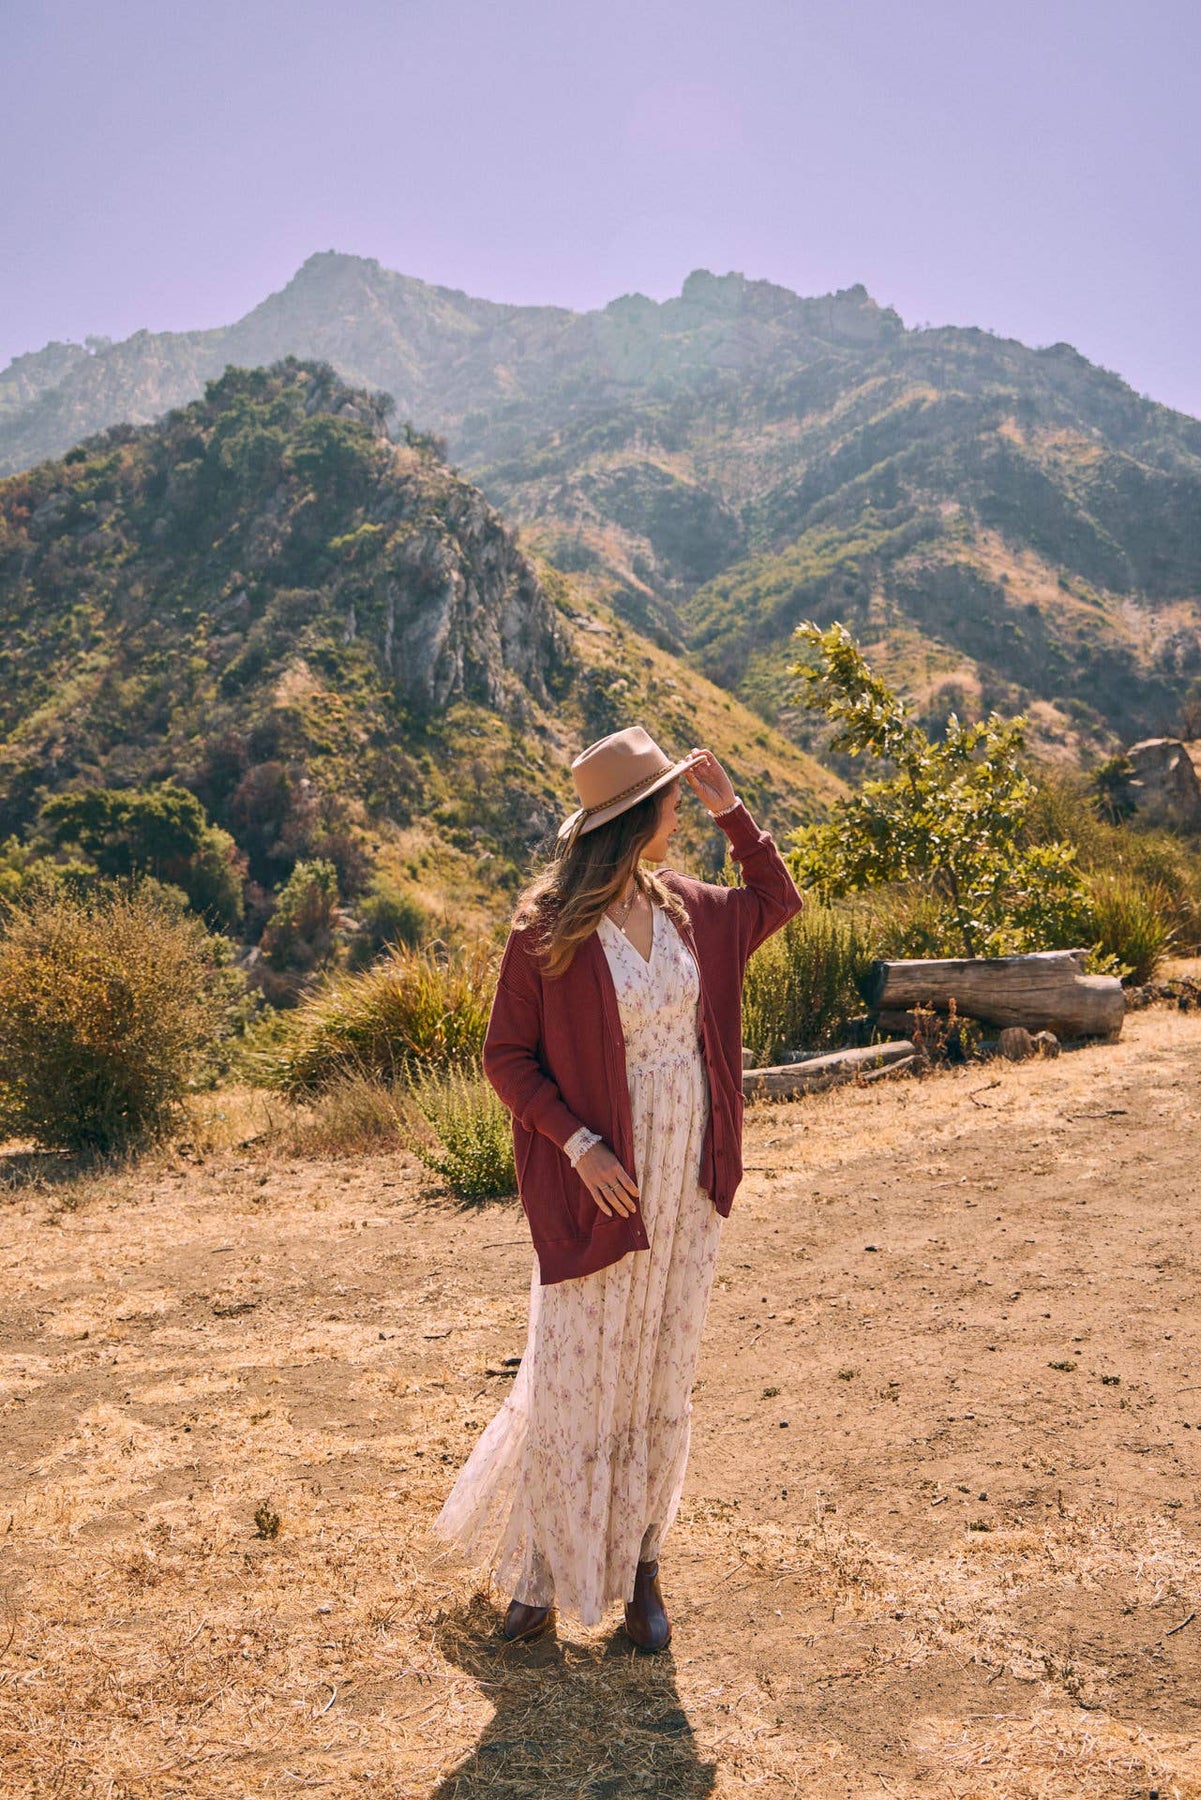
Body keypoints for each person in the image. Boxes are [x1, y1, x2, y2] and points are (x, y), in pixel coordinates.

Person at [433, 726, 802, 1649]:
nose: (681, 807)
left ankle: (642, 1569)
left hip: (688, 1175)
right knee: (576, 1377)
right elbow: (505, 1058)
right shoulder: (547, 931)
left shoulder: (687, 908)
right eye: (674, 797)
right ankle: (540, 1573)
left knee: (659, 1373)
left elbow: (776, 899)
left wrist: (732, 811)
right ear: (638, 817)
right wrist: (578, 1145)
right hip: (602, 1183)